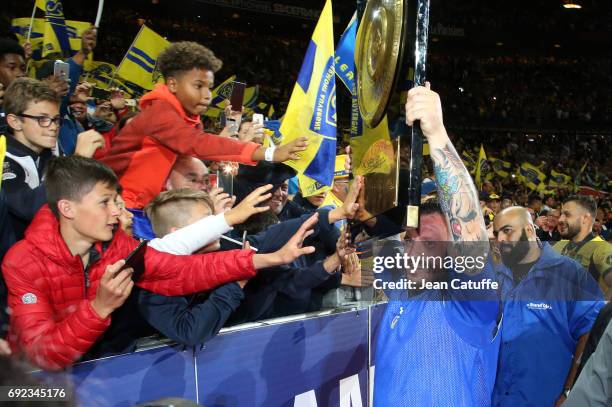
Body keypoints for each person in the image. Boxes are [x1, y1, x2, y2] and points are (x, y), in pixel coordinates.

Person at [1, 155, 318, 371]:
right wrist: (98, 309)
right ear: (68, 208)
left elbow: (180, 269)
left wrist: (269, 259)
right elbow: (43, 356)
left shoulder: (118, 246)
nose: (117, 212)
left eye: (117, 201)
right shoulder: (22, 262)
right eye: (105, 203)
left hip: (112, 378)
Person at [373, 83, 500, 406]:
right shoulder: (397, 289)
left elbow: (469, 232)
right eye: (409, 240)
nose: (413, 253)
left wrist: (437, 134)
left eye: (430, 244)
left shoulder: (471, 302)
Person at [100, 41, 307, 210]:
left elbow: (208, 149)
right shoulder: (161, 112)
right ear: (173, 84)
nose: (207, 95)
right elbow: (200, 144)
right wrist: (270, 153)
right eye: (198, 86)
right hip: (118, 202)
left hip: (139, 205)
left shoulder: (185, 117)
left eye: (209, 87)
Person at [492, 206, 604, 407]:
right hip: (497, 398)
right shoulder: (496, 276)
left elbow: (590, 332)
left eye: (507, 231)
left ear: (529, 230)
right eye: (496, 233)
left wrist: (569, 390)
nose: (500, 239)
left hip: (545, 398)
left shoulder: (570, 274)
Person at [2, 78, 103, 240]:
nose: (54, 126)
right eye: (42, 119)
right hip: (14, 257)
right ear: (15, 122)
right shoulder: (4, 158)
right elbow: (28, 207)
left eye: (56, 119)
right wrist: (77, 160)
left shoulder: (50, 151)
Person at [553, 195, 612, 299]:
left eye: (567, 215)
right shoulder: (559, 245)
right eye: (561, 214)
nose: (560, 219)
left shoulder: (602, 249)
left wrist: (600, 313)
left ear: (585, 218)